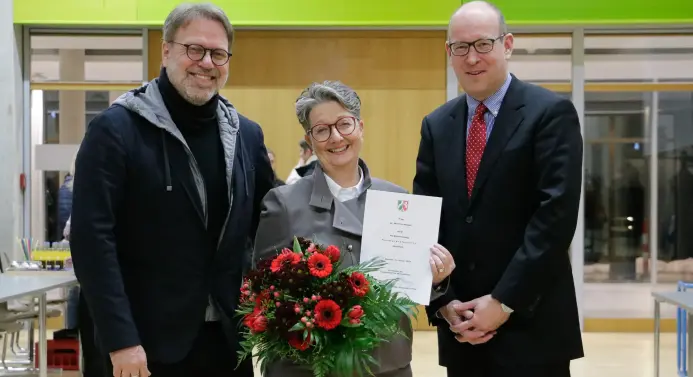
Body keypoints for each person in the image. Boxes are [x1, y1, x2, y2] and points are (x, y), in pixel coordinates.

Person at [69, 3, 274, 377]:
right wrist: (121, 340)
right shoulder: (115, 130)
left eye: (218, 53)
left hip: (226, 343)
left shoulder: (246, 135)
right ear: (166, 50)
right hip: (141, 347)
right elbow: (91, 241)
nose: (206, 62)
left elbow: (268, 225)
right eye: (194, 49)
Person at [414, 2, 584, 377]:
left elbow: (553, 219)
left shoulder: (550, 114)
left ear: (507, 44)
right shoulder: (437, 125)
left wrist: (504, 302)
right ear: (449, 53)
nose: (471, 58)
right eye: (461, 47)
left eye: (483, 44)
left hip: (531, 326)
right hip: (461, 328)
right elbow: (426, 221)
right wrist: (445, 300)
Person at [253, 80, 456, 377]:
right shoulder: (283, 204)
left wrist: (436, 278)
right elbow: (263, 298)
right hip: (309, 369)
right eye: (321, 130)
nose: (336, 137)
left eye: (344, 124)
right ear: (309, 140)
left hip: (387, 366)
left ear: (360, 127)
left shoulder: (398, 199)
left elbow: (411, 288)